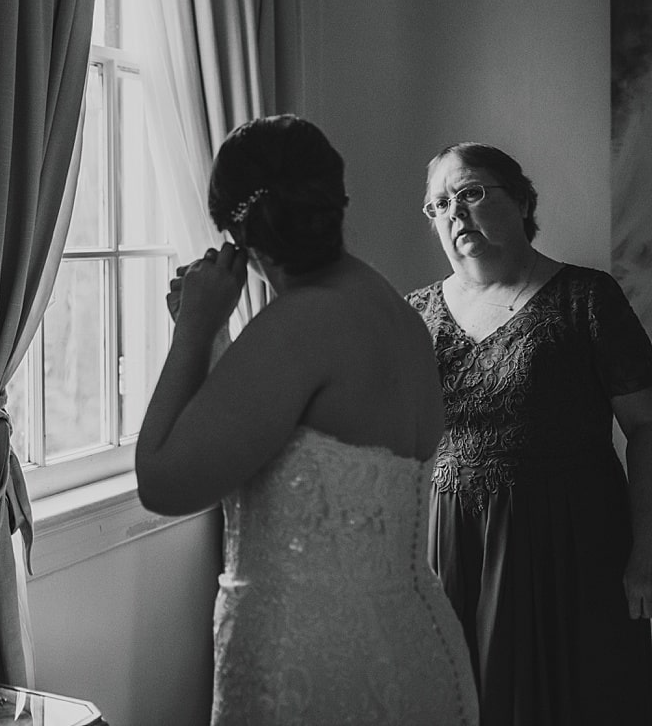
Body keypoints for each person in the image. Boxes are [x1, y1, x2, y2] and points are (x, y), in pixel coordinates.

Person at [135, 115, 477, 725]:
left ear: (238, 233)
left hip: (312, 667)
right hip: (421, 651)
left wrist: (194, 328)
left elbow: (162, 482)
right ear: (334, 200)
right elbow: (252, 431)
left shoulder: (298, 326)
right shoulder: (395, 314)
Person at [407, 142, 652, 724]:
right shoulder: (414, 314)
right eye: (439, 204)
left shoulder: (587, 298)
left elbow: (646, 428)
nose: (454, 212)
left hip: (570, 545)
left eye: (470, 192)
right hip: (451, 545)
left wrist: (646, 552)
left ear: (520, 200)